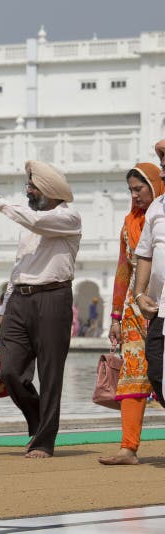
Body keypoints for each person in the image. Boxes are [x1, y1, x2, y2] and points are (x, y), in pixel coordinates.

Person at [0, 160, 81, 459]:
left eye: (33, 187)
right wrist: (5, 306)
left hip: (53, 297)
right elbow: (19, 266)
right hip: (20, 298)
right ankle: (37, 420)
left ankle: (45, 440)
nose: (29, 192)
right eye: (28, 186)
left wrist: (0, 203)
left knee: (49, 371)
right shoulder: (30, 221)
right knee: (10, 371)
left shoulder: (68, 218)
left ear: (48, 190)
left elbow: (36, 222)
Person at [99, 163, 163, 466]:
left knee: (160, 376)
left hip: (162, 302)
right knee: (132, 378)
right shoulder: (129, 224)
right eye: (131, 191)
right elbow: (124, 269)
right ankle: (128, 447)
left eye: (140, 189)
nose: (135, 195)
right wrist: (114, 316)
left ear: (155, 185)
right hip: (136, 310)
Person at [132, 139, 165, 410]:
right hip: (160, 310)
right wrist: (140, 294)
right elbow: (144, 254)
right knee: (157, 375)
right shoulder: (157, 208)